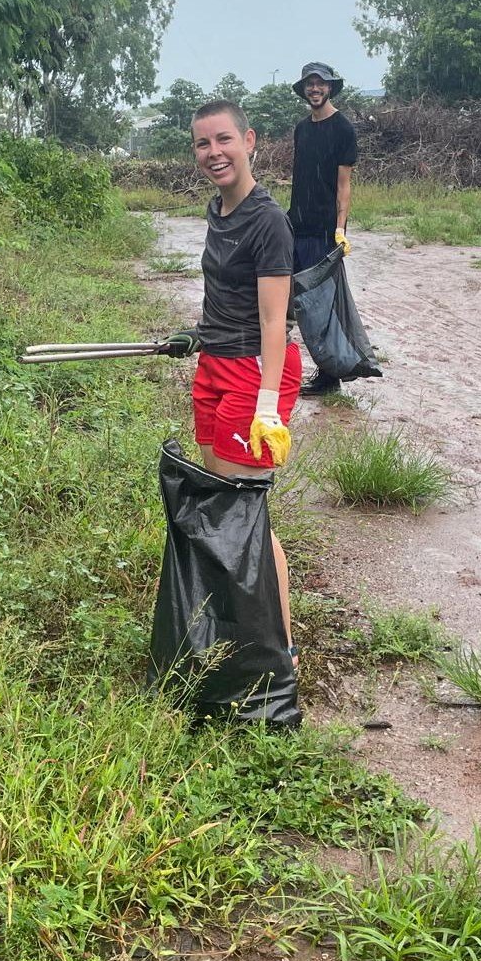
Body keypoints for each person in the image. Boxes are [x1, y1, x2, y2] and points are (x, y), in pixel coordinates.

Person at [168, 99, 303, 664]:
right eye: (202, 143)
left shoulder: (268, 220)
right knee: (221, 504)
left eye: (223, 140)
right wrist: (197, 335)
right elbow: (225, 297)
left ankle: (280, 651)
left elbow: (275, 321)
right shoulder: (217, 211)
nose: (213, 152)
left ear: (250, 141)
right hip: (216, 364)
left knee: (244, 516)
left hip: (256, 371)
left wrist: (267, 407)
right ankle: (234, 627)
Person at [287, 60, 358, 395]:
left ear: (330, 87)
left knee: (322, 302)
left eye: (321, 84)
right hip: (296, 224)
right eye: (310, 85)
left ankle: (330, 376)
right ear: (304, 90)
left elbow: (343, 185)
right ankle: (295, 365)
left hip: (324, 231)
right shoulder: (301, 129)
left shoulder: (343, 129)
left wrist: (340, 229)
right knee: (296, 299)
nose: (315, 89)